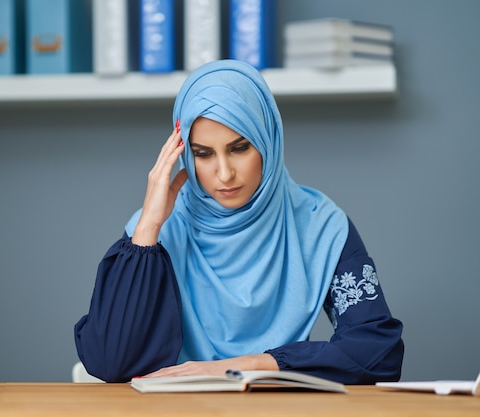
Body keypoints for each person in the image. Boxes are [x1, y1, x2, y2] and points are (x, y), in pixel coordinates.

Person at [74, 59, 404, 384]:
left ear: (267, 142)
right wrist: (147, 226)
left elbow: (378, 351)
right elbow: (109, 361)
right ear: (185, 155)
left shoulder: (321, 226)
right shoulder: (153, 236)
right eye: (203, 154)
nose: (224, 173)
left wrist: (254, 364)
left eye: (239, 148)